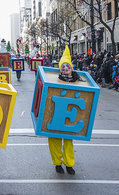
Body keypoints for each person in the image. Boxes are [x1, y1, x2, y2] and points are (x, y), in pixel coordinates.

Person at [49, 45, 83, 175]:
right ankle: (57, 163)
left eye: (67, 66)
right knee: (55, 139)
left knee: (68, 141)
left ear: (71, 67)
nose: (65, 69)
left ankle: (69, 164)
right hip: (56, 114)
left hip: (70, 115)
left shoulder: (78, 80)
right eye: (63, 66)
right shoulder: (55, 80)